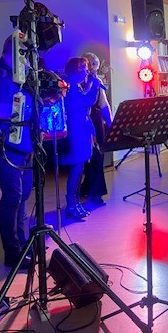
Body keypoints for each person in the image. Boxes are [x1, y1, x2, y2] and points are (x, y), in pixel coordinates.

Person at [0, 36, 34, 269]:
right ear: (14, 51)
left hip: (26, 142)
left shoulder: (22, 76)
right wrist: (25, 108)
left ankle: (22, 243)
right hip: (5, 142)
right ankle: (12, 252)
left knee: (23, 196)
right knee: (12, 197)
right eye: (23, 53)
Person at [59, 57, 100, 221]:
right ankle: (70, 204)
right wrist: (94, 86)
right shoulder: (69, 87)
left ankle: (75, 203)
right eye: (83, 67)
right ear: (75, 70)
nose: (87, 70)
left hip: (82, 128)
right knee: (76, 166)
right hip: (76, 129)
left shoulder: (76, 86)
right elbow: (86, 101)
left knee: (80, 166)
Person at [79, 52, 112, 206]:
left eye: (95, 66)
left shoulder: (96, 81)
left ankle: (90, 189)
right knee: (91, 157)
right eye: (91, 65)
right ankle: (93, 192)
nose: (94, 69)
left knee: (96, 157)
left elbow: (104, 105)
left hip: (96, 121)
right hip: (84, 122)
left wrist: (111, 124)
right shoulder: (79, 81)